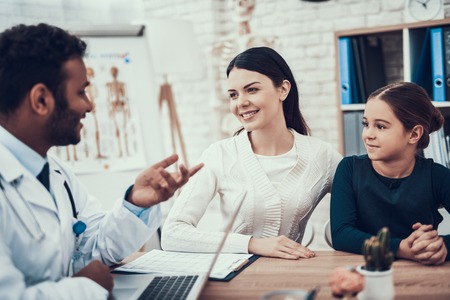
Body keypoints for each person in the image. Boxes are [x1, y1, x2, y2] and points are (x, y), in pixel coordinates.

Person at [0, 23, 203, 299]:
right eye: (81, 91)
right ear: (41, 100)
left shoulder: (56, 172)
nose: (90, 105)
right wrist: (86, 287)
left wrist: (135, 204)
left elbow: (95, 248)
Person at [162, 47, 342, 259]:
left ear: (283, 90)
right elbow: (172, 233)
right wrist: (252, 244)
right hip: (232, 278)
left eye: (252, 90)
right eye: (233, 95)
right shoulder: (220, 154)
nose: (241, 103)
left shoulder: (321, 155)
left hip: (289, 277)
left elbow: (365, 203)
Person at [330, 82, 450, 265]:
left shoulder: (437, 176)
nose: (368, 134)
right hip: (365, 271)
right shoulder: (349, 169)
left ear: (414, 134)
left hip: (421, 273)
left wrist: (442, 245)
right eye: (366, 124)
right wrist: (400, 248)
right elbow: (341, 234)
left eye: (380, 126)